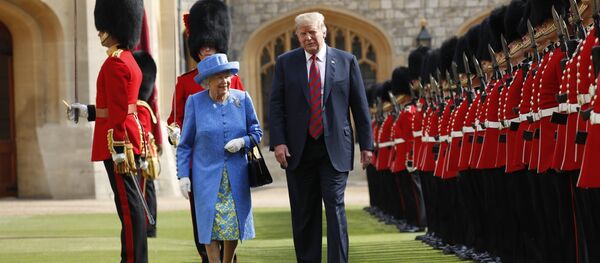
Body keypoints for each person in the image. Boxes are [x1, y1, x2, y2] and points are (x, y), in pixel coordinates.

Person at [268, 12, 374, 263]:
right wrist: (279, 142)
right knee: (305, 213)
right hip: (298, 149)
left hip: (335, 147)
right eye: (302, 33)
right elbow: (276, 105)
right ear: (297, 36)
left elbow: (359, 106)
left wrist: (367, 145)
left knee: (335, 207)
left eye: (312, 32)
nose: (308, 38)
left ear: (324, 31)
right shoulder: (285, 62)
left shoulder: (346, 61)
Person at [67, 0, 147, 262]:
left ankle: (133, 259)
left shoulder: (114, 63)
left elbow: (117, 112)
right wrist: (85, 111)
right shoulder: (128, 60)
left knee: (127, 207)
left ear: (116, 27)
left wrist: (120, 148)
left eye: (104, 28)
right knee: (129, 205)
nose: (100, 32)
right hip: (123, 139)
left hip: (116, 143)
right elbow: (113, 106)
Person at [166, 1, 244, 261]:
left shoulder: (233, 80)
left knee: (230, 218)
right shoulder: (185, 82)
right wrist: (175, 132)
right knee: (203, 220)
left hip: (229, 160)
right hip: (199, 164)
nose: (205, 50)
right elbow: (174, 119)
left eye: (210, 45)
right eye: (201, 46)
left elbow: (243, 114)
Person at [177, 53, 262, 263]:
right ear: (208, 81)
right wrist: (183, 175)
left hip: (236, 174)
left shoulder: (242, 99)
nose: (224, 81)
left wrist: (243, 142)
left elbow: (256, 131)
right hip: (205, 175)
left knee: (232, 223)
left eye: (227, 76)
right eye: (218, 77)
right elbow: (185, 143)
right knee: (209, 224)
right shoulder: (195, 102)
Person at [133, 50, 160, 238]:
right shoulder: (143, 106)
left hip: (143, 153)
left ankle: (149, 225)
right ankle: (148, 224)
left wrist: (142, 156)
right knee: (145, 188)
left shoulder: (141, 107)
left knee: (144, 188)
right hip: (144, 151)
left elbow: (142, 130)